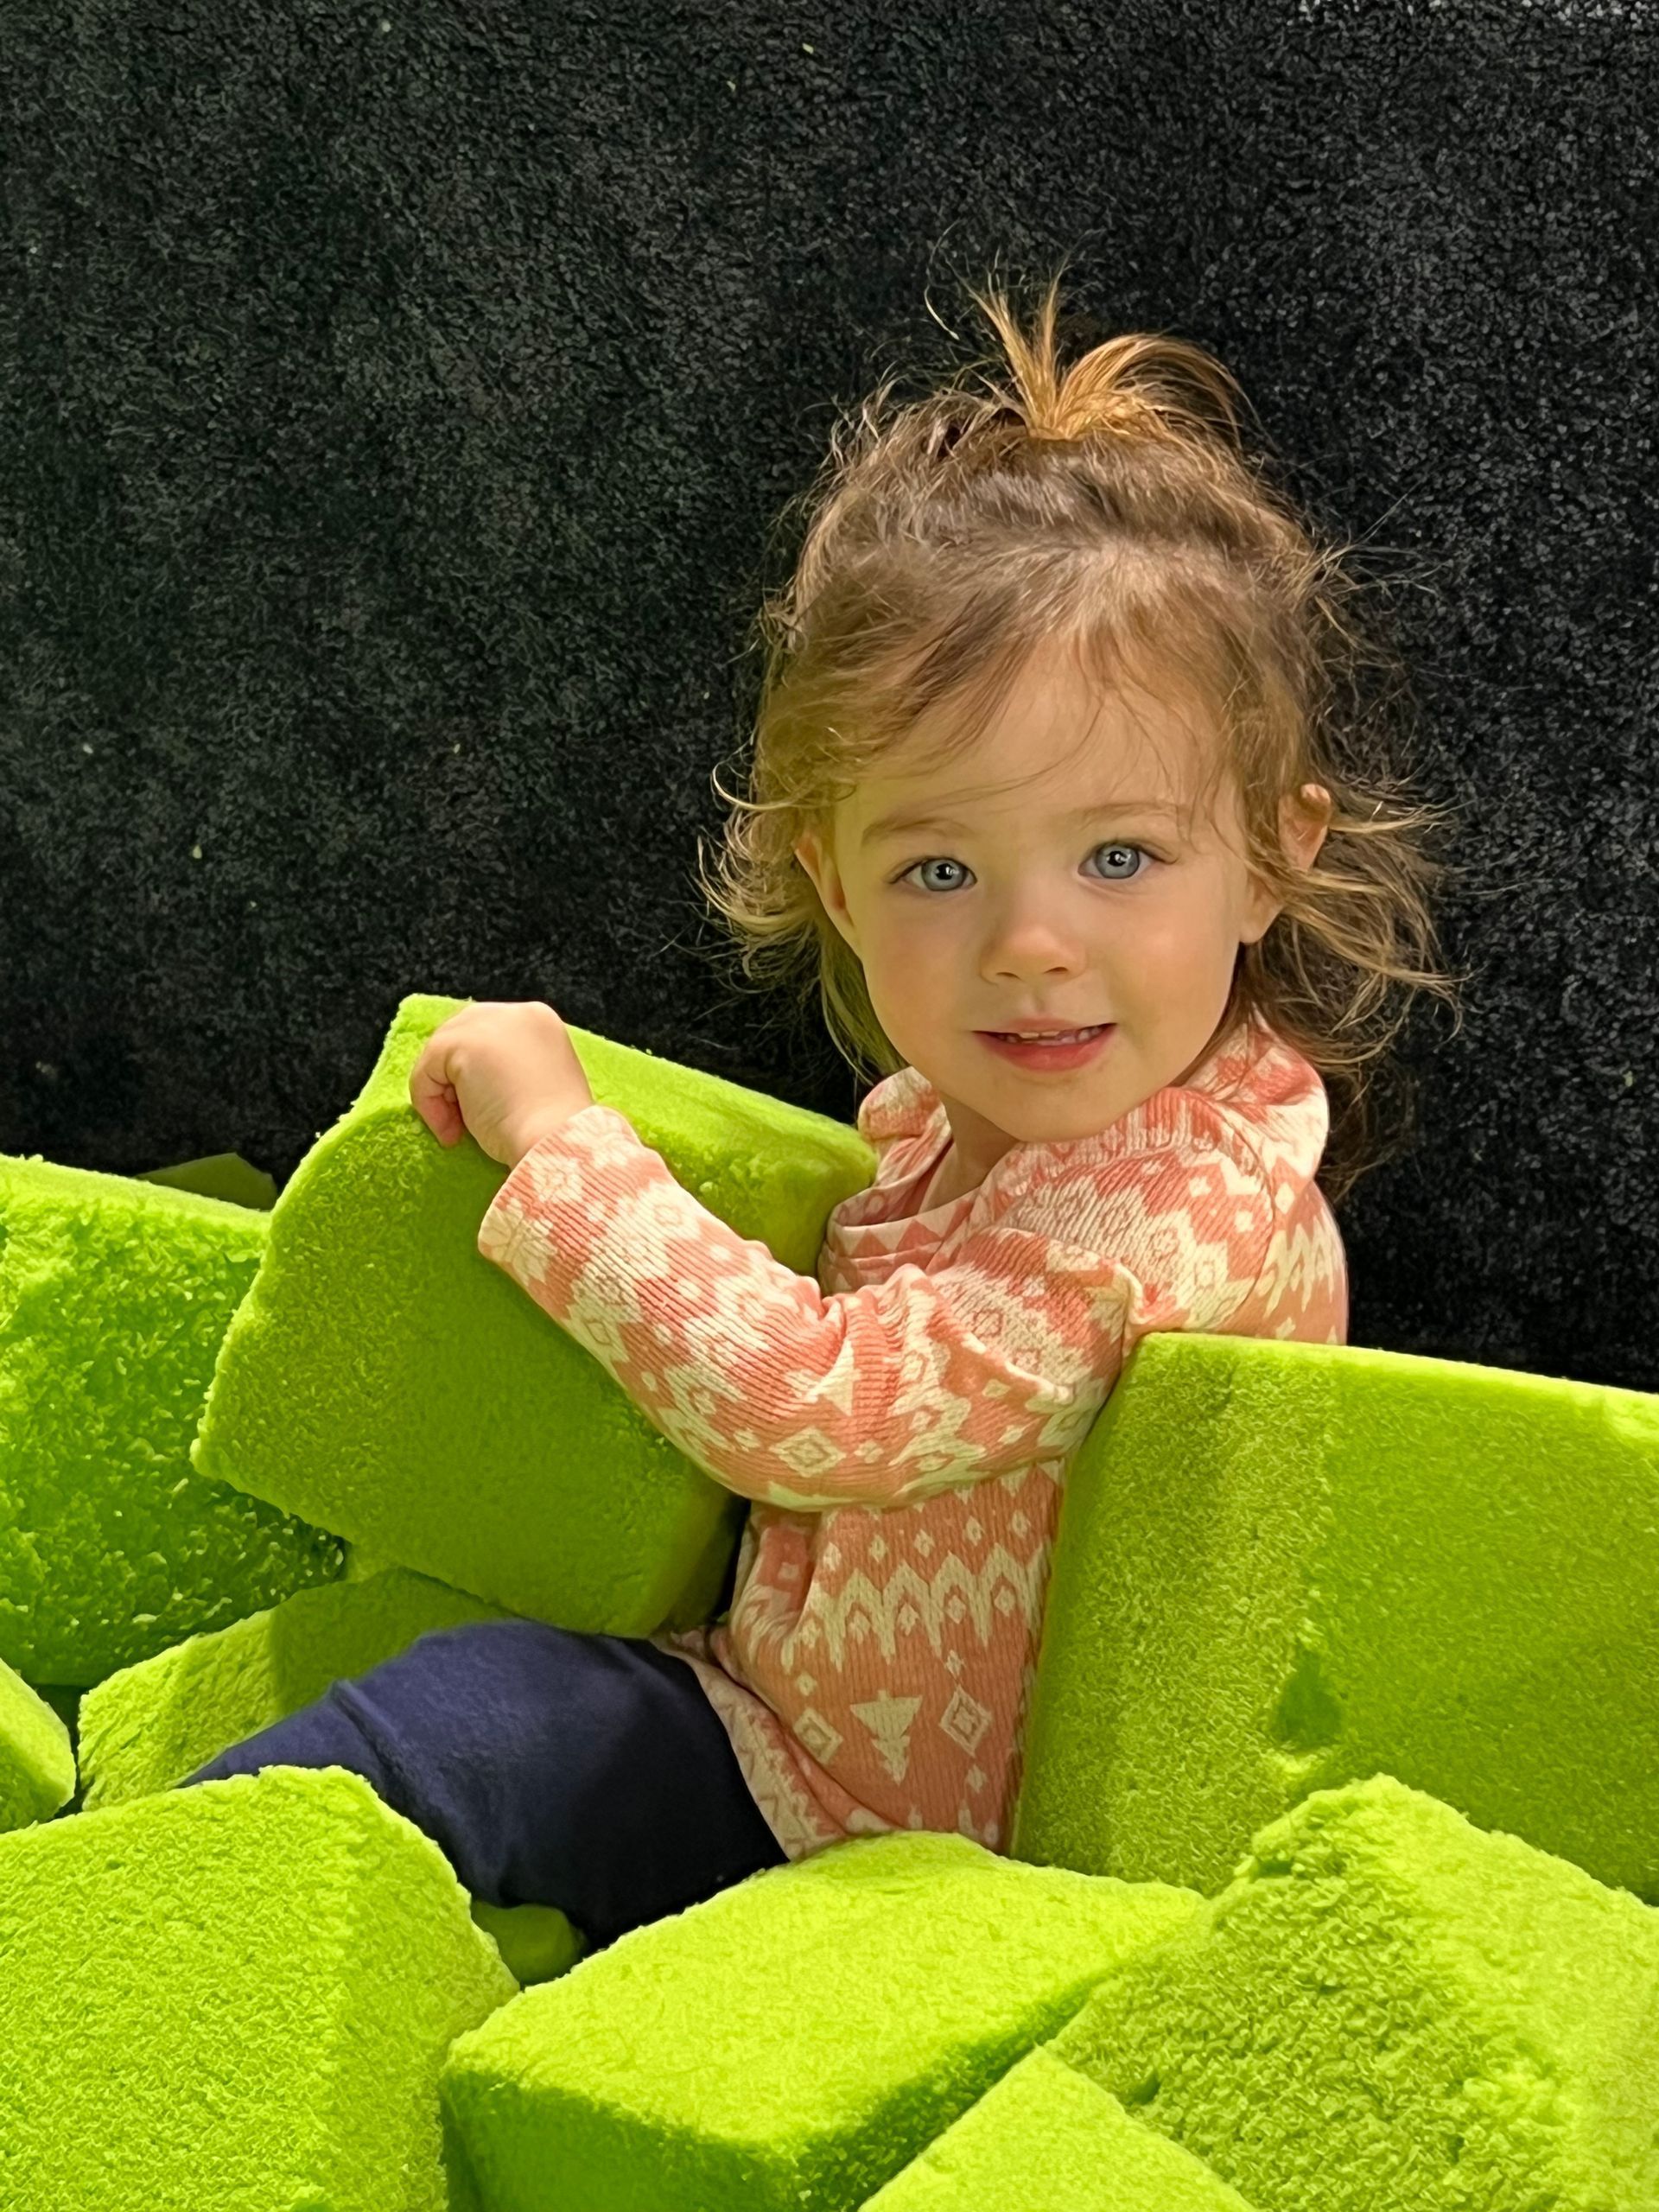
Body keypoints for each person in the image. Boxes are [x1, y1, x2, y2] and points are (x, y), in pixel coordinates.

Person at [175, 260, 1470, 1955]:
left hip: (938, 1861)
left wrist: (569, 1147)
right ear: (835, 882)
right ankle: (127, 1926)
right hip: (803, 1739)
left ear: (1275, 854)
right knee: (436, 1703)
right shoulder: (969, 1122)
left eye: (1121, 856)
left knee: (461, 1729)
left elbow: (819, 1407)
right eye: (939, 864)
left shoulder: (1185, 1209)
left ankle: (106, 1942)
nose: (1028, 946)